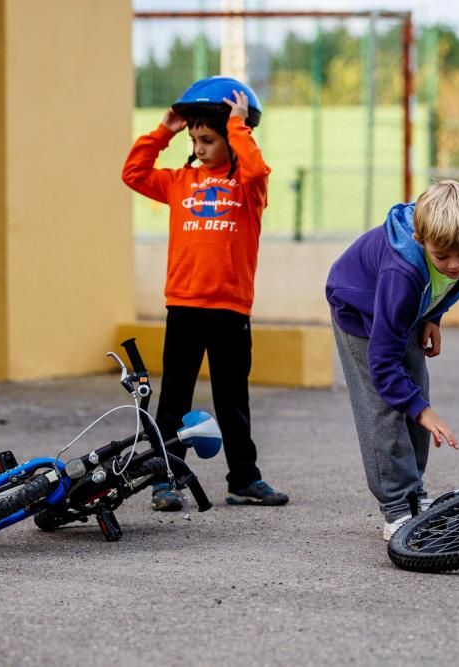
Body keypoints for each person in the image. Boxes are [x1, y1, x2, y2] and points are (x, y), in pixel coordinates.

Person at [121, 76, 288, 510]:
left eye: (208, 139)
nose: (199, 147)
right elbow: (133, 173)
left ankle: (243, 480)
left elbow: (254, 167)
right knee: (174, 398)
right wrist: (165, 130)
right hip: (184, 307)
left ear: (232, 139)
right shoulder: (178, 182)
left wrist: (237, 125)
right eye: (195, 139)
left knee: (232, 401)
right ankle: (164, 479)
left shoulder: (248, 188)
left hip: (230, 310)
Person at [326, 180, 459, 540]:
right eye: (441, 256)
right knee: (386, 405)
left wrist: (435, 314)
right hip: (360, 309)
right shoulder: (401, 273)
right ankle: (397, 509)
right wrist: (423, 411)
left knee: (415, 390)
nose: (453, 264)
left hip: (408, 308)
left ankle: (415, 495)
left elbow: (456, 282)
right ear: (420, 239)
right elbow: (383, 363)